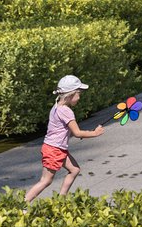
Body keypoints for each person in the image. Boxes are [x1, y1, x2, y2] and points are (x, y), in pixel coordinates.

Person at [26, 75, 106, 203]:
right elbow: (77, 132)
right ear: (70, 95)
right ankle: (22, 204)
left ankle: (61, 200)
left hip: (56, 148)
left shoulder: (57, 106)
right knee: (46, 180)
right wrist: (95, 133)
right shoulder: (66, 111)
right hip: (54, 149)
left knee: (74, 169)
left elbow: (67, 131)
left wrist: (75, 134)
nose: (79, 97)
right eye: (78, 93)